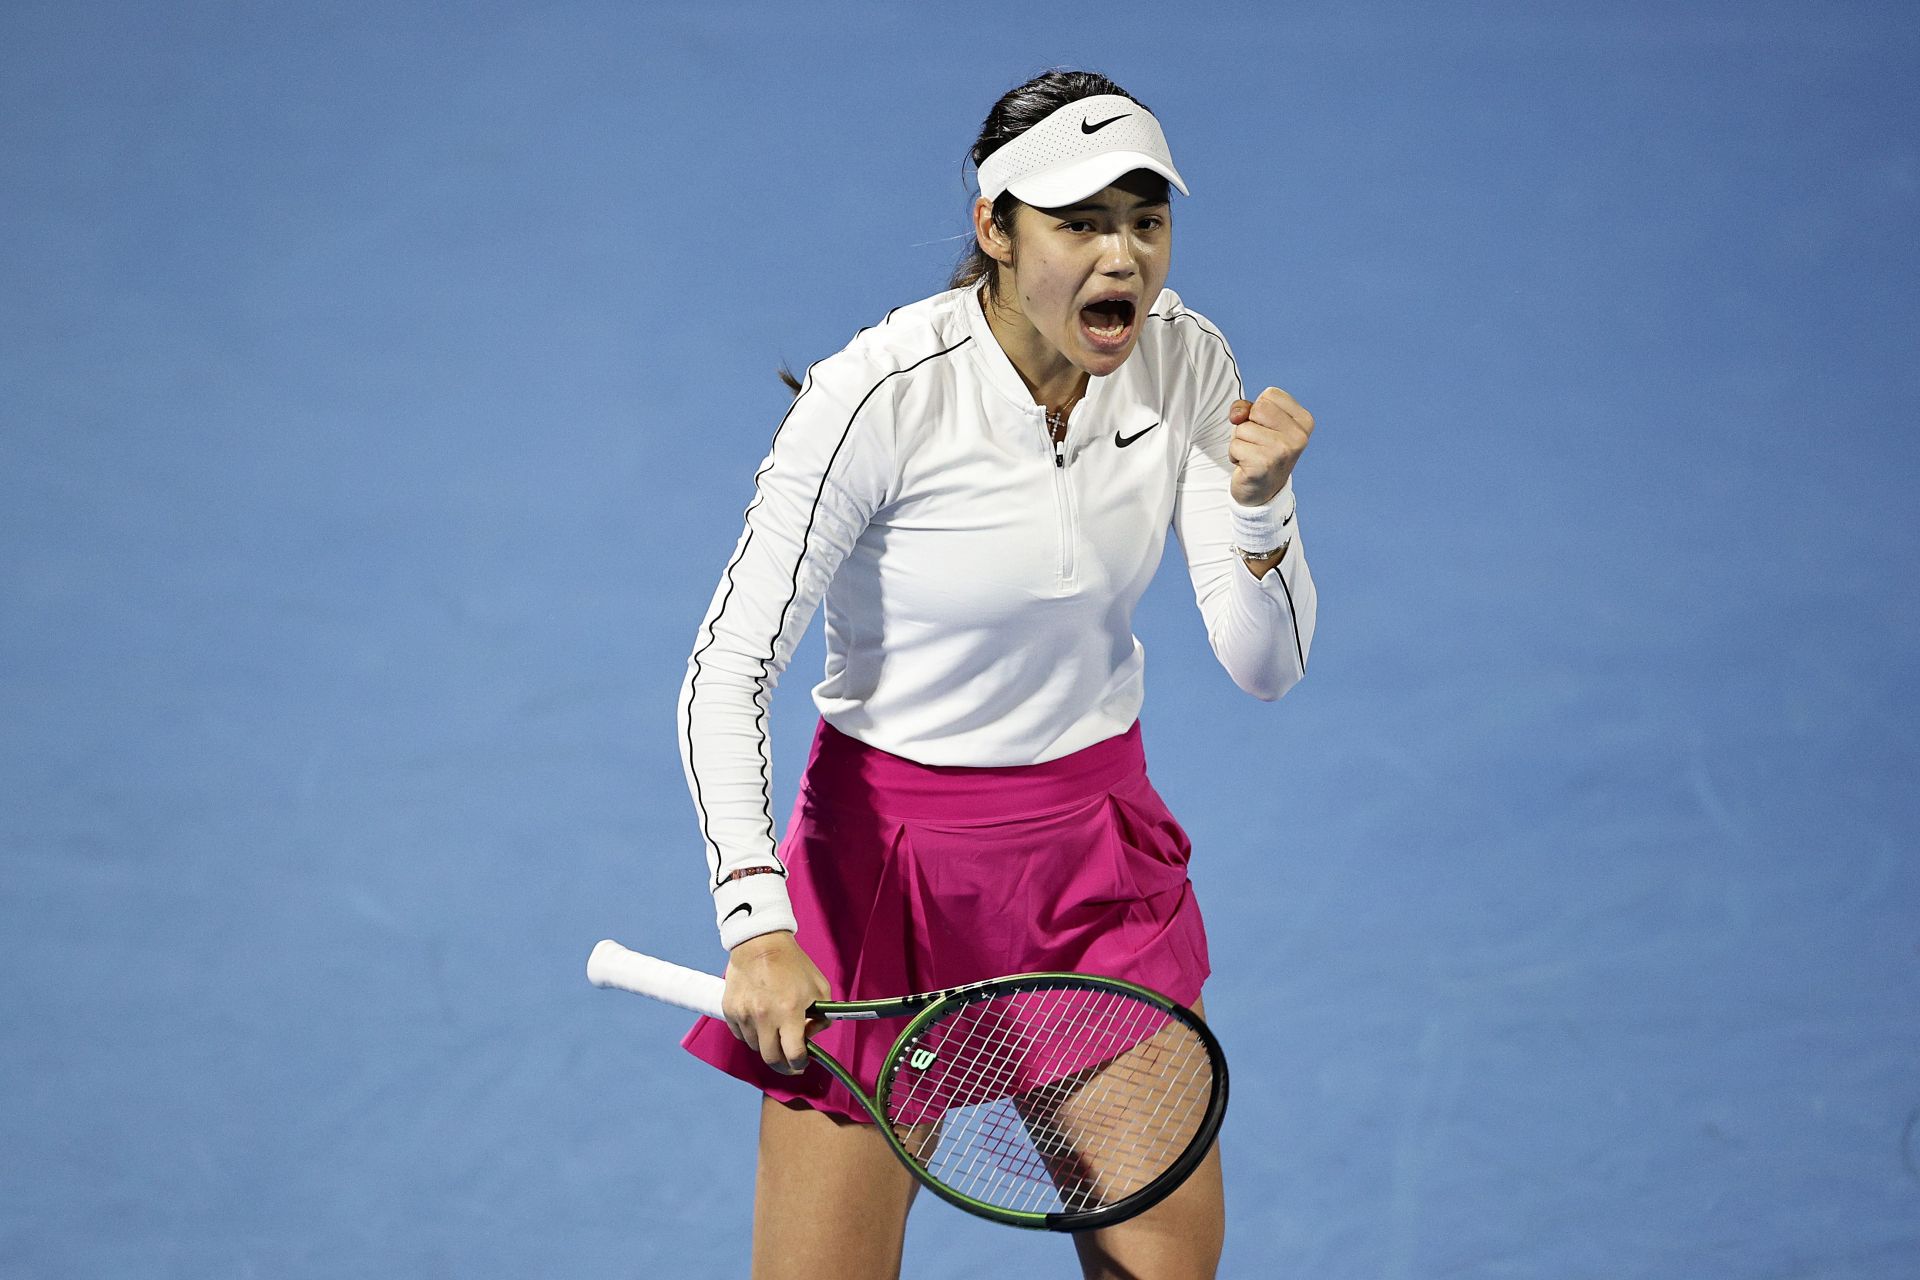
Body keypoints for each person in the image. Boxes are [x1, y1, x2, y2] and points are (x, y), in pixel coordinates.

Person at [673, 68, 1317, 1280]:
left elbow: (1263, 663)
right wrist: (757, 919)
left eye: (1145, 218)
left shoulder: (1186, 362)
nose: (1120, 254)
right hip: (880, 881)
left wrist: (1262, 511)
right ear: (996, 231)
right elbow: (728, 665)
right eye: (1079, 223)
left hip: (1092, 872)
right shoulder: (877, 395)